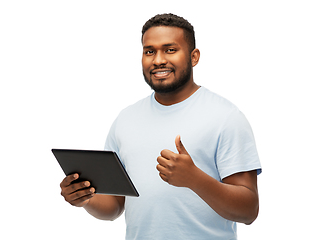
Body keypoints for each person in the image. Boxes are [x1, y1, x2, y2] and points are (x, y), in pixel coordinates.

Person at [60, 13, 262, 239]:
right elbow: (115, 206)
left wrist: (194, 179)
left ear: (194, 57)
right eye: (149, 51)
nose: (158, 60)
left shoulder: (226, 117)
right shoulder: (125, 120)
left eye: (170, 49)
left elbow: (248, 210)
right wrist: (85, 197)